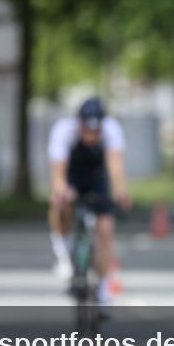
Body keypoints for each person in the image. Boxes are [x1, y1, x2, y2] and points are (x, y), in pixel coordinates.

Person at [47, 97, 129, 301]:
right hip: (72, 174)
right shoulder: (64, 131)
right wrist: (62, 190)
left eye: (96, 131)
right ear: (79, 123)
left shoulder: (111, 129)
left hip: (97, 176)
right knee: (60, 204)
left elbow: (115, 165)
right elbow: (58, 171)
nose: (92, 136)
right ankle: (64, 253)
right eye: (87, 130)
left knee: (105, 229)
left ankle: (103, 289)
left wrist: (120, 192)